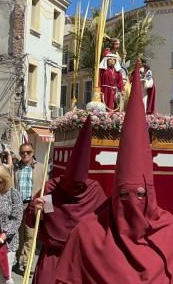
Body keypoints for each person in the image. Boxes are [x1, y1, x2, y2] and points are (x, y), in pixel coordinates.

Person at [55, 63, 173, 283]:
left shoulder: (170, 230)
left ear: (151, 195)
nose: (132, 201)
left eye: (141, 194)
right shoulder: (88, 233)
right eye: (124, 195)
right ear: (115, 194)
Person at [23, 117, 107, 284]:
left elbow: (104, 223)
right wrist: (37, 209)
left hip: (81, 259)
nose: (73, 189)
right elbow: (35, 220)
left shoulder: (94, 190)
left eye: (78, 185)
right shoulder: (51, 188)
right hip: (53, 257)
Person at [13, 143, 45, 274]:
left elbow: (46, 187)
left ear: (33, 152)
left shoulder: (41, 167)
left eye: (28, 152)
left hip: (33, 205)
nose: (25, 154)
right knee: (18, 235)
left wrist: (46, 209)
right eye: (22, 153)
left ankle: (27, 265)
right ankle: (18, 260)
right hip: (18, 205)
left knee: (30, 236)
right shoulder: (14, 168)